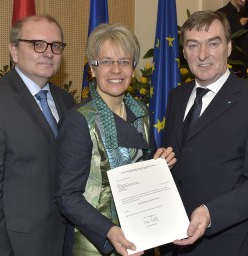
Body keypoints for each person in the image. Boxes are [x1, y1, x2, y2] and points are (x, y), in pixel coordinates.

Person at [162, 10, 248, 256]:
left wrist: (210, 213)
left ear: (228, 47)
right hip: (171, 242)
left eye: (212, 43)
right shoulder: (176, 97)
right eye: (193, 45)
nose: (202, 55)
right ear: (184, 52)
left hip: (222, 244)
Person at [0, 14, 75, 256]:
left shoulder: (66, 100)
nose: (48, 52)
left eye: (56, 46)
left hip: (61, 244)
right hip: (11, 247)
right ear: (13, 50)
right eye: (37, 44)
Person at [54, 23, 176, 256]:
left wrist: (159, 165)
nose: (116, 70)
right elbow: (67, 197)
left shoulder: (140, 111)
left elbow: (143, 174)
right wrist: (109, 231)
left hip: (142, 238)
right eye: (106, 61)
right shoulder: (79, 120)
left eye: (124, 61)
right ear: (92, 68)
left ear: (133, 67)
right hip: (96, 244)